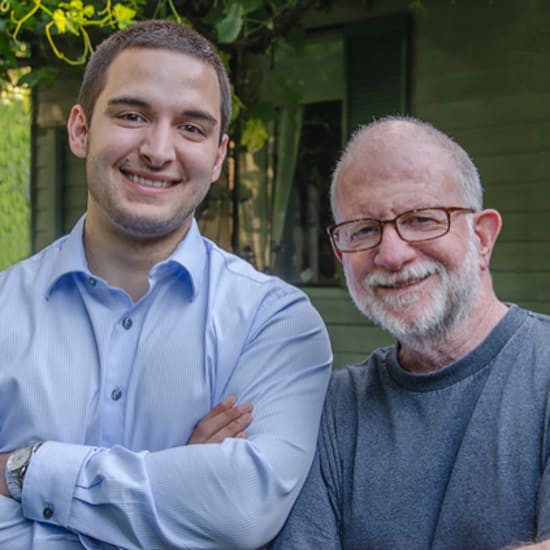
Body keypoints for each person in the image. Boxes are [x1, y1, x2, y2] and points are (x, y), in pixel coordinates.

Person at [0, 20, 332, 549]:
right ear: (81, 129)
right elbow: (210, 521)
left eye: (192, 128)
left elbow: (241, 512)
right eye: (132, 115)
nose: (158, 150)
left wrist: (24, 470)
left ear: (220, 156)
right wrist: (180, 486)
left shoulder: (274, 322)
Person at [271, 115, 550, 550]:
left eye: (421, 219)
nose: (392, 254)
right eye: (363, 229)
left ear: (483, 238)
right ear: (340, 253)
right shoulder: (332, 409)